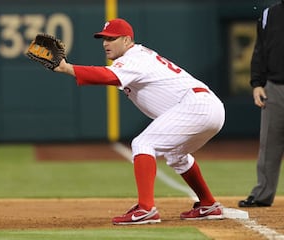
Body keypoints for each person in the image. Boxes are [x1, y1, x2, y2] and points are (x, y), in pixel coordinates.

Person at [54, 18, 225, 224]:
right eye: (103, 39)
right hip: (206, 106)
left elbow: (107, 76)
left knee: (143, 143)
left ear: (127, 40)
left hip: (196, 106)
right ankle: (208, 204)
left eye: (111, 38)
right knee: (176, 155)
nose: (105, 43)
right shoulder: (138, 56)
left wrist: (67, 68)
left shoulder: (134, 57)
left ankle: (146, 208)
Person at [238, 1, 284, 208]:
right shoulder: (268, 14)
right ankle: (262, 194)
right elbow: (260, 50)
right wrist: (257, 83)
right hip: (274, 86)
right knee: (269, 145)